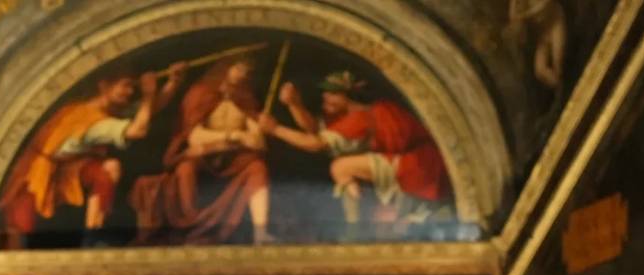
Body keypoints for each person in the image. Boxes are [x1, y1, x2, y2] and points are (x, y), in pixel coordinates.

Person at [0, 67, 185, 248]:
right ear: (104, 86)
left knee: (108, 169)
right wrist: (148, 94)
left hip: (65, 168)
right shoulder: (92, 123)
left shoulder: (99, 111)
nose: (129, 92)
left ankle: (94, 235)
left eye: (132, 87)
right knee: (20, 227)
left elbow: (147, 110)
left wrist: (173, 82)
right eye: (125, 85)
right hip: (37, 174)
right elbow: (138, 129)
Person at [259, 72, 450, 232]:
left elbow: (315, 143)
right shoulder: (351, 115)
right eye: (325, 92)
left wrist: (275, 129)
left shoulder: (360, 119)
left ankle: (354, 227)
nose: (326, 97)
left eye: (333, 93)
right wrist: (294, 104)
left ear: (347, 97)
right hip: (413, 161)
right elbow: (315, 129)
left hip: (419, 165)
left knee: (340, 168)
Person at [129, 56, 275, 245]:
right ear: (226, 67)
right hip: (202, 157)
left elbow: (258, 143)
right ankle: (191, 225)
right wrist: (233, 136)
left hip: (231, 160)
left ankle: (260, 232)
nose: (243, 75)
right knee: (186, 168)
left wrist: (242, 137)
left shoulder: (245, 99)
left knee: (257, 167)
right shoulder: (201, 93)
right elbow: (193, 136)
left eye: (247, 71)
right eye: (239, 68)